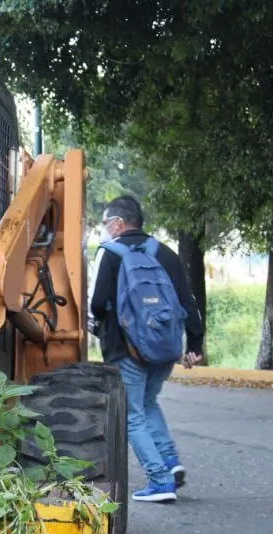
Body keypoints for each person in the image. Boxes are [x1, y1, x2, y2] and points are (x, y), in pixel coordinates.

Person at [90, 195, 204, 503]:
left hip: (126, 349)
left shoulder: (111, 254)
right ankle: (170, 461)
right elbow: (187, 301)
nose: (104, 229)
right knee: (149, 402)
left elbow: (97, 303)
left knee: (133, 414)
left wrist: (98, 329)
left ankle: (159, 480)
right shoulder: (165, 253)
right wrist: (194, 344)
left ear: (119, 223)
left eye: (105, 223)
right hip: (165, 346)